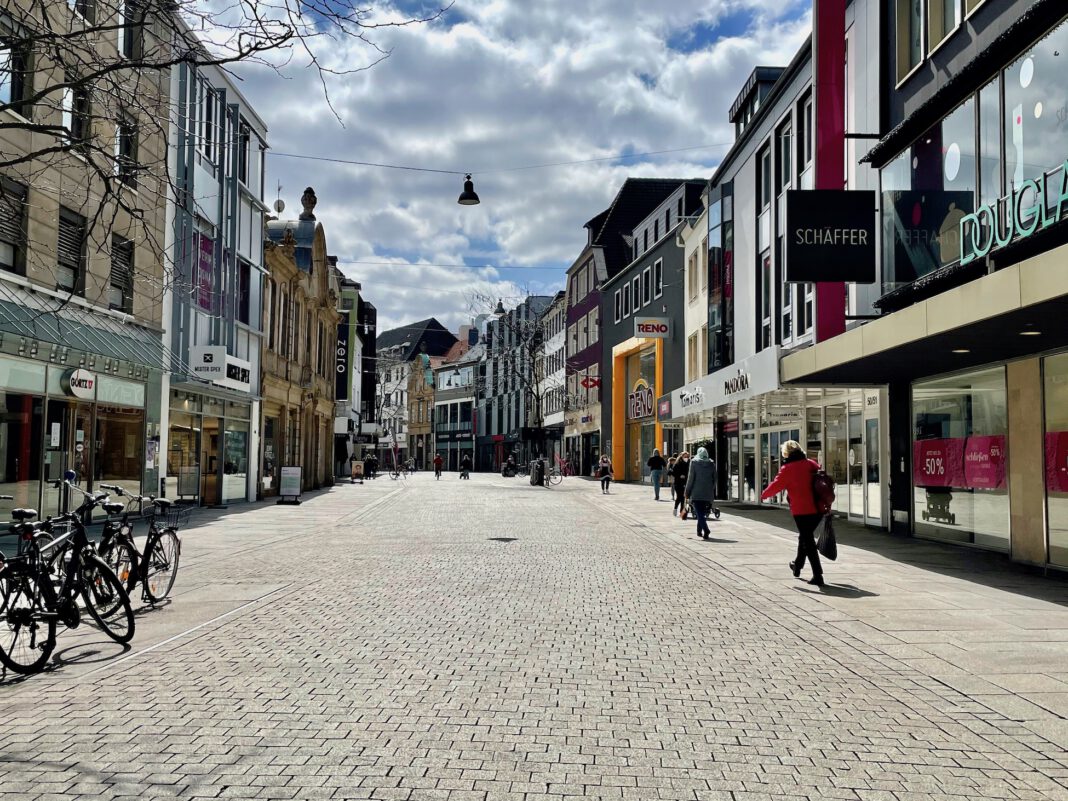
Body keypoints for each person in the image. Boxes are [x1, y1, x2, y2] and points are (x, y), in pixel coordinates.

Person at [761, 440, 825, 587]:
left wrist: (763, 495)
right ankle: (797, 565)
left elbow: (776, 485)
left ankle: (818, 575)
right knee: (805, 536)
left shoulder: (787, 468)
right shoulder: (811, 464)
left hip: (802, 510)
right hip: (817, 508)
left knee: (808, 541)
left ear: (786, 453)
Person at [685, 447, 717, 539]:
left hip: (696, 492)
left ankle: (706, 529)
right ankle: (699, 531)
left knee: (699, 512)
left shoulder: (694, 462)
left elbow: (690, 479)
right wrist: (711, 489)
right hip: (707, 492)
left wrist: (687, 491)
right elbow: (715, 478)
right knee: (701, 512)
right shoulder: (711, 463)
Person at [670, 451, 690, 517]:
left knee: (683, 498)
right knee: (680, 497)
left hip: (686, 482)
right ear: (681, 456)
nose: (686, 458)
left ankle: (682, 511)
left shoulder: (689, 463)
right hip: (678, 483)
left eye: (687, 456)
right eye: (685, 456)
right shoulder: (677, 463)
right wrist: (679, 475)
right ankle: (675, 508)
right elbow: (673, 472)